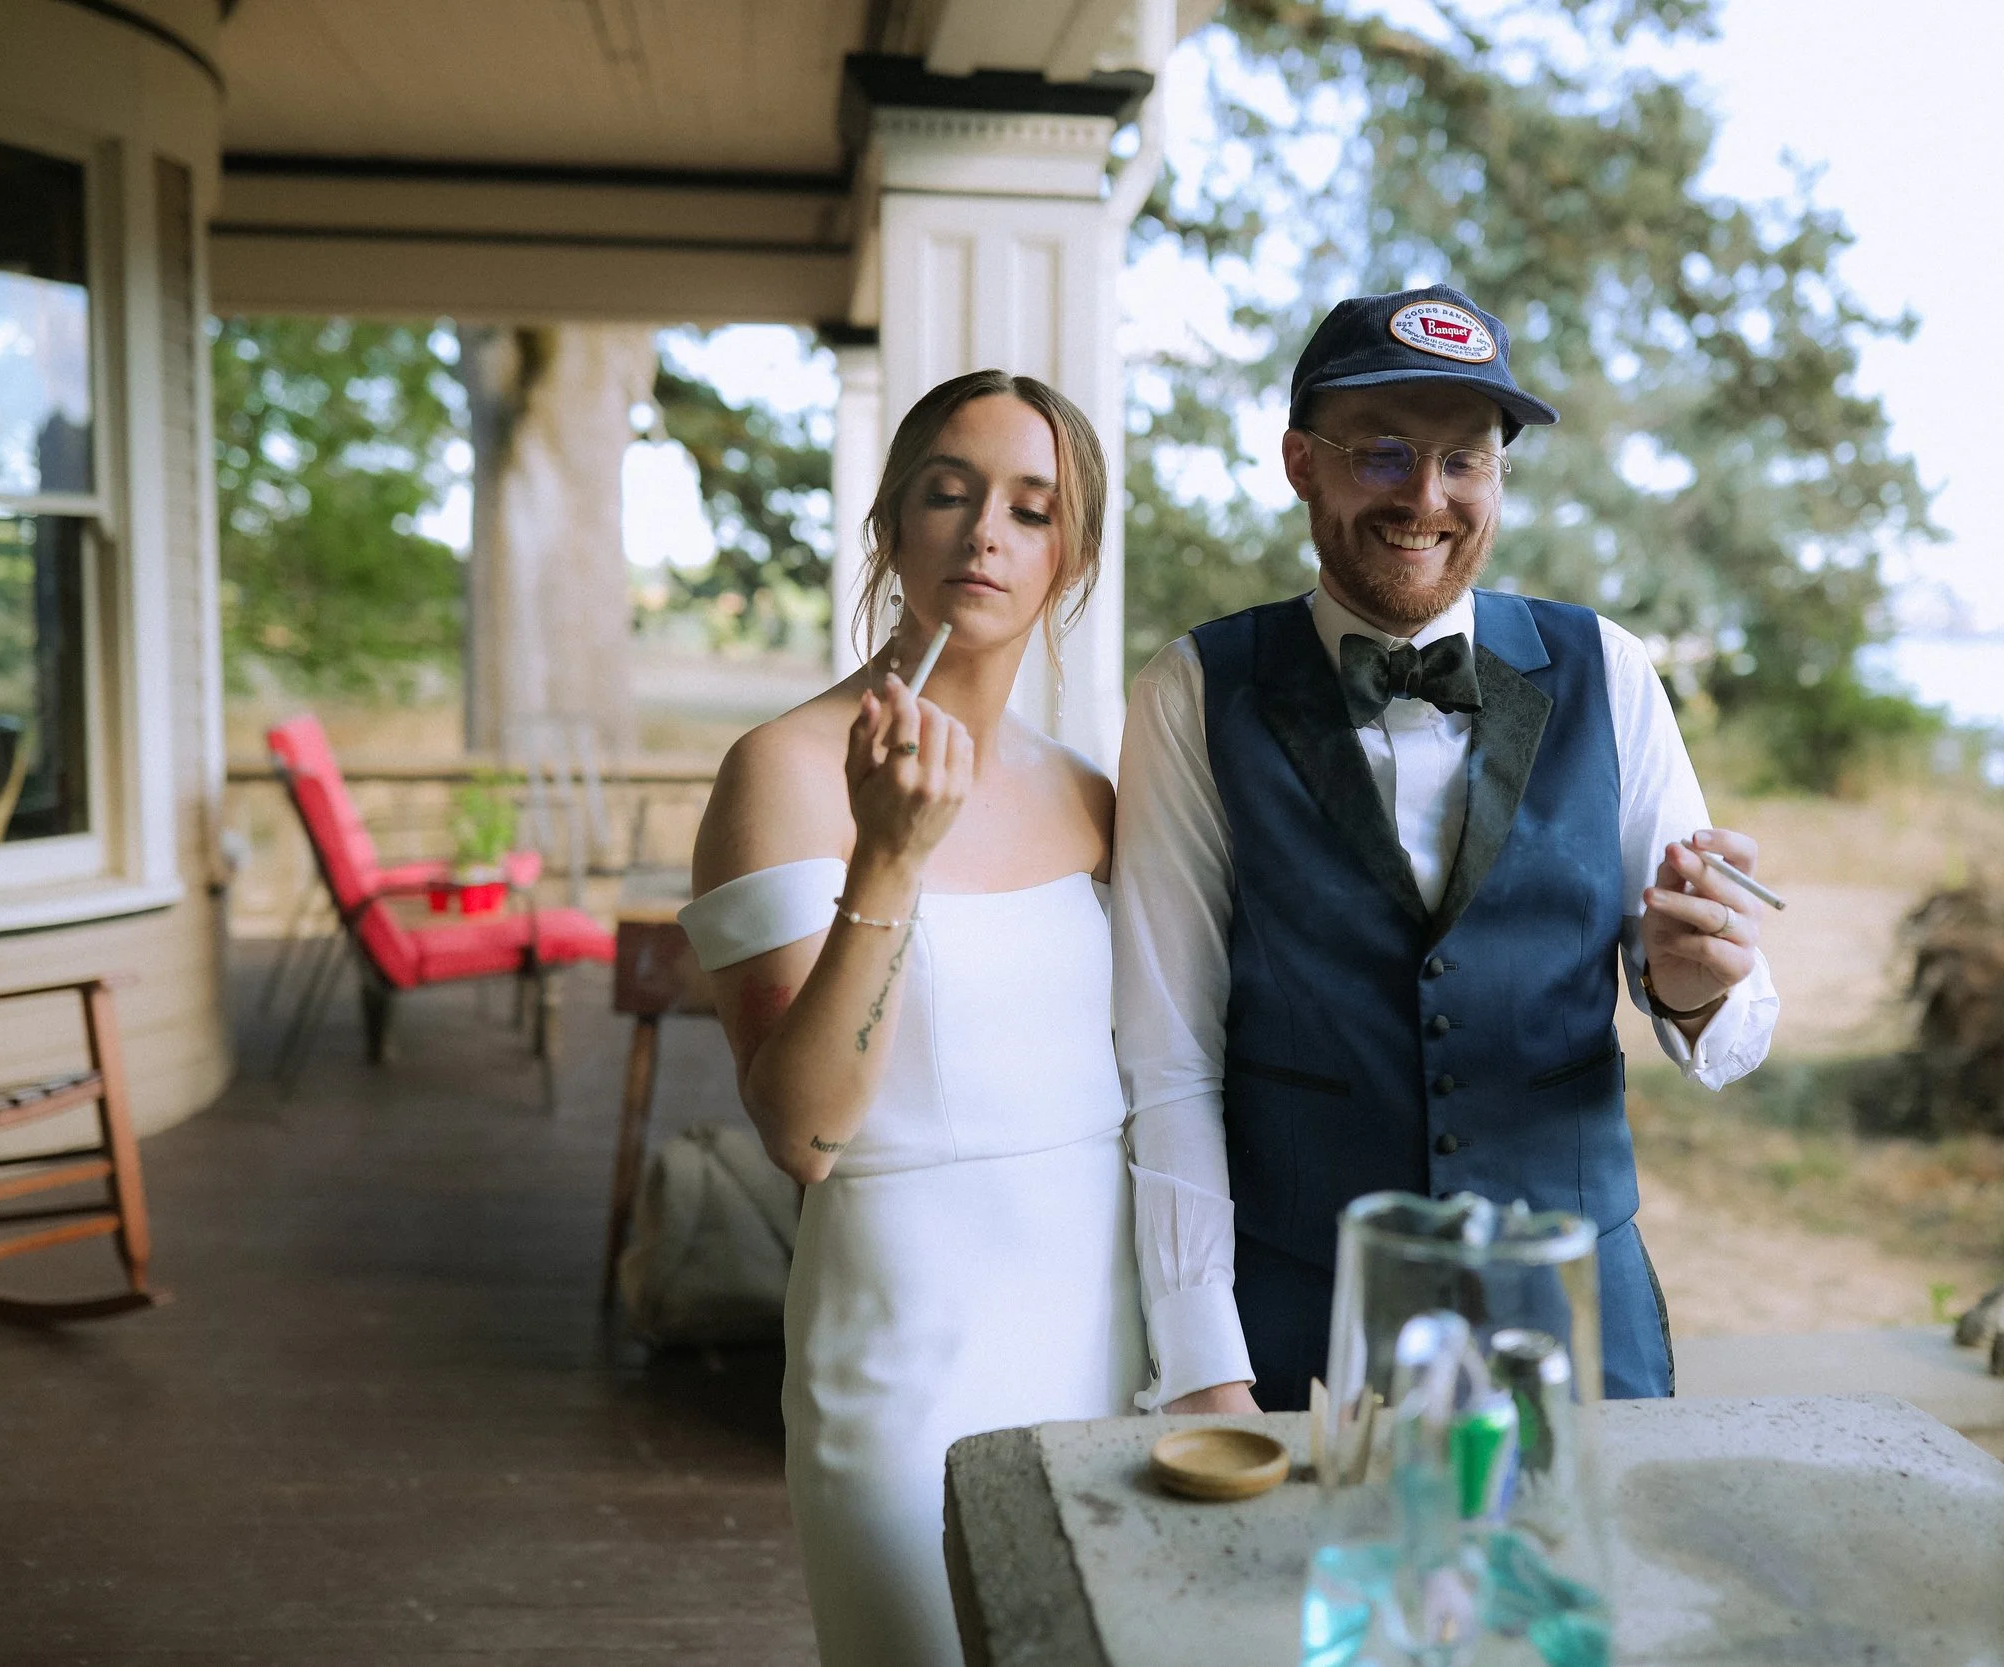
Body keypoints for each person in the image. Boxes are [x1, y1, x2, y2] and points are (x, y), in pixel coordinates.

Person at [1112, 284, 1782, 1415]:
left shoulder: (1606, 669)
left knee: (1578, 1594)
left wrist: (1699, 987)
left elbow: (1731, 1023)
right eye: (1381, 453)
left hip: (1571, 1327)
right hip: (1306, 1326)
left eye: (1464, 461)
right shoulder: (1195, 690)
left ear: (1498, 478)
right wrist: (1200, 1360)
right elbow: (1168, 1056)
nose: (1425, 497)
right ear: (1299, 463)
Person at [680, 370, 1144, 1666]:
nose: (986, 529)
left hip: (1105, 1338)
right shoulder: (782, 769)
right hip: (907, 1360)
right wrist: (890, 857)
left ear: (1072, 559)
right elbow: (804, 1129)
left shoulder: (1095, 796)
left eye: (1031, 507)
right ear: (890, 528)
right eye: (949, 492)